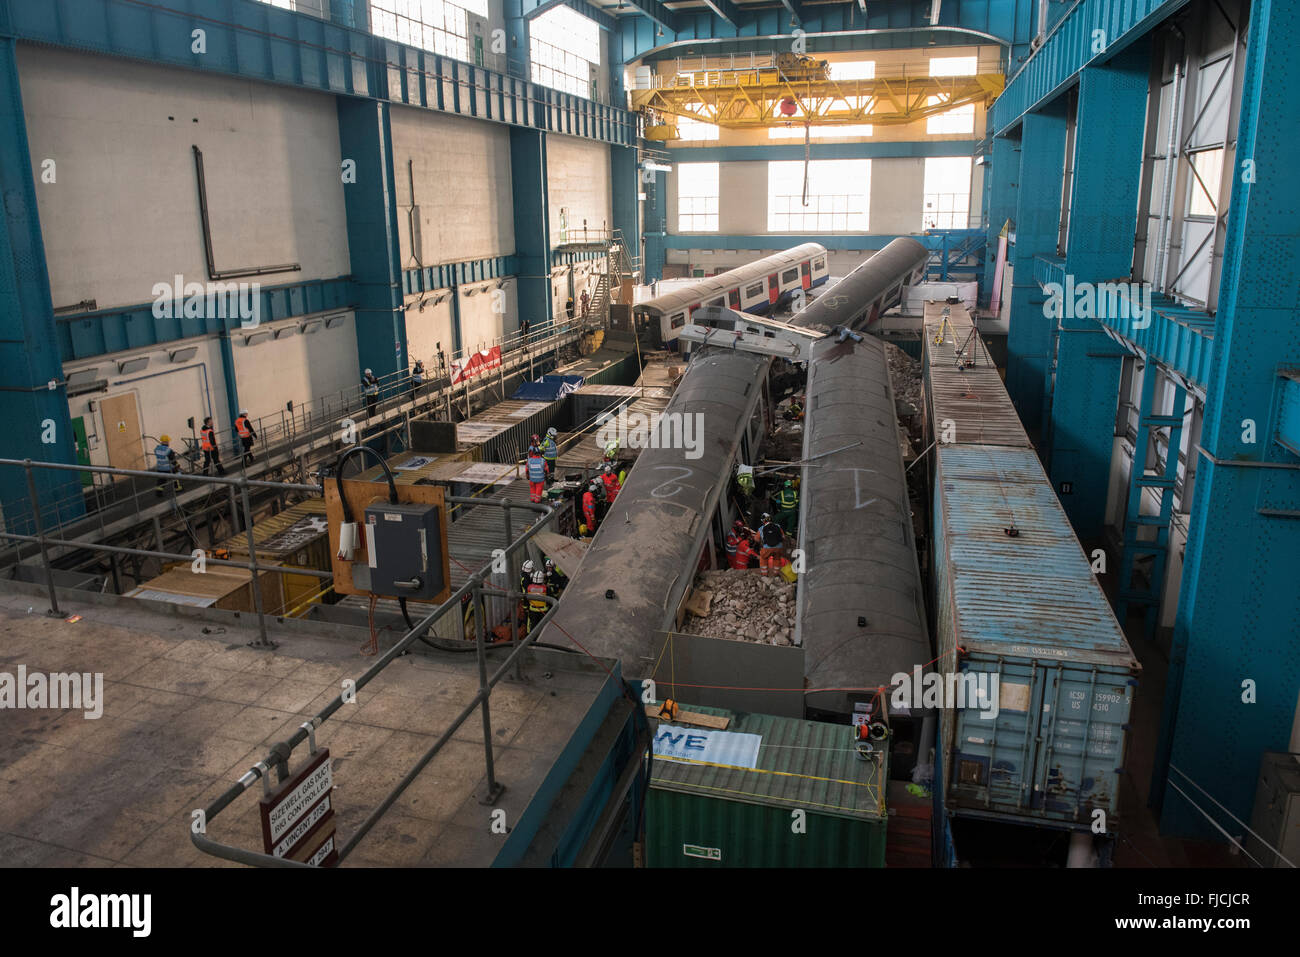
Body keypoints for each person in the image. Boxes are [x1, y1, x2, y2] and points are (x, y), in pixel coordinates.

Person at [757, 512, 786, 577]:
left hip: (767, 548)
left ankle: (765, 574)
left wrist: (760, 542)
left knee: (763, 558)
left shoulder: (761, 528)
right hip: (779, 547)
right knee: (777, 559)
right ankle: (776, 574)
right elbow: (783, 537)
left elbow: (756, 539)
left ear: (763, 521)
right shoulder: (778, 526)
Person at [525, 568, 549, 634]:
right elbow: (551, 599)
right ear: (542, 579)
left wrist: (526, 608)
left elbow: (526, 599)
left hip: (532, 611)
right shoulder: (546, 588)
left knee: (533, 627)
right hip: (543, 612)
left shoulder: (529, 587)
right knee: (543, 628)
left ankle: (533, 640)